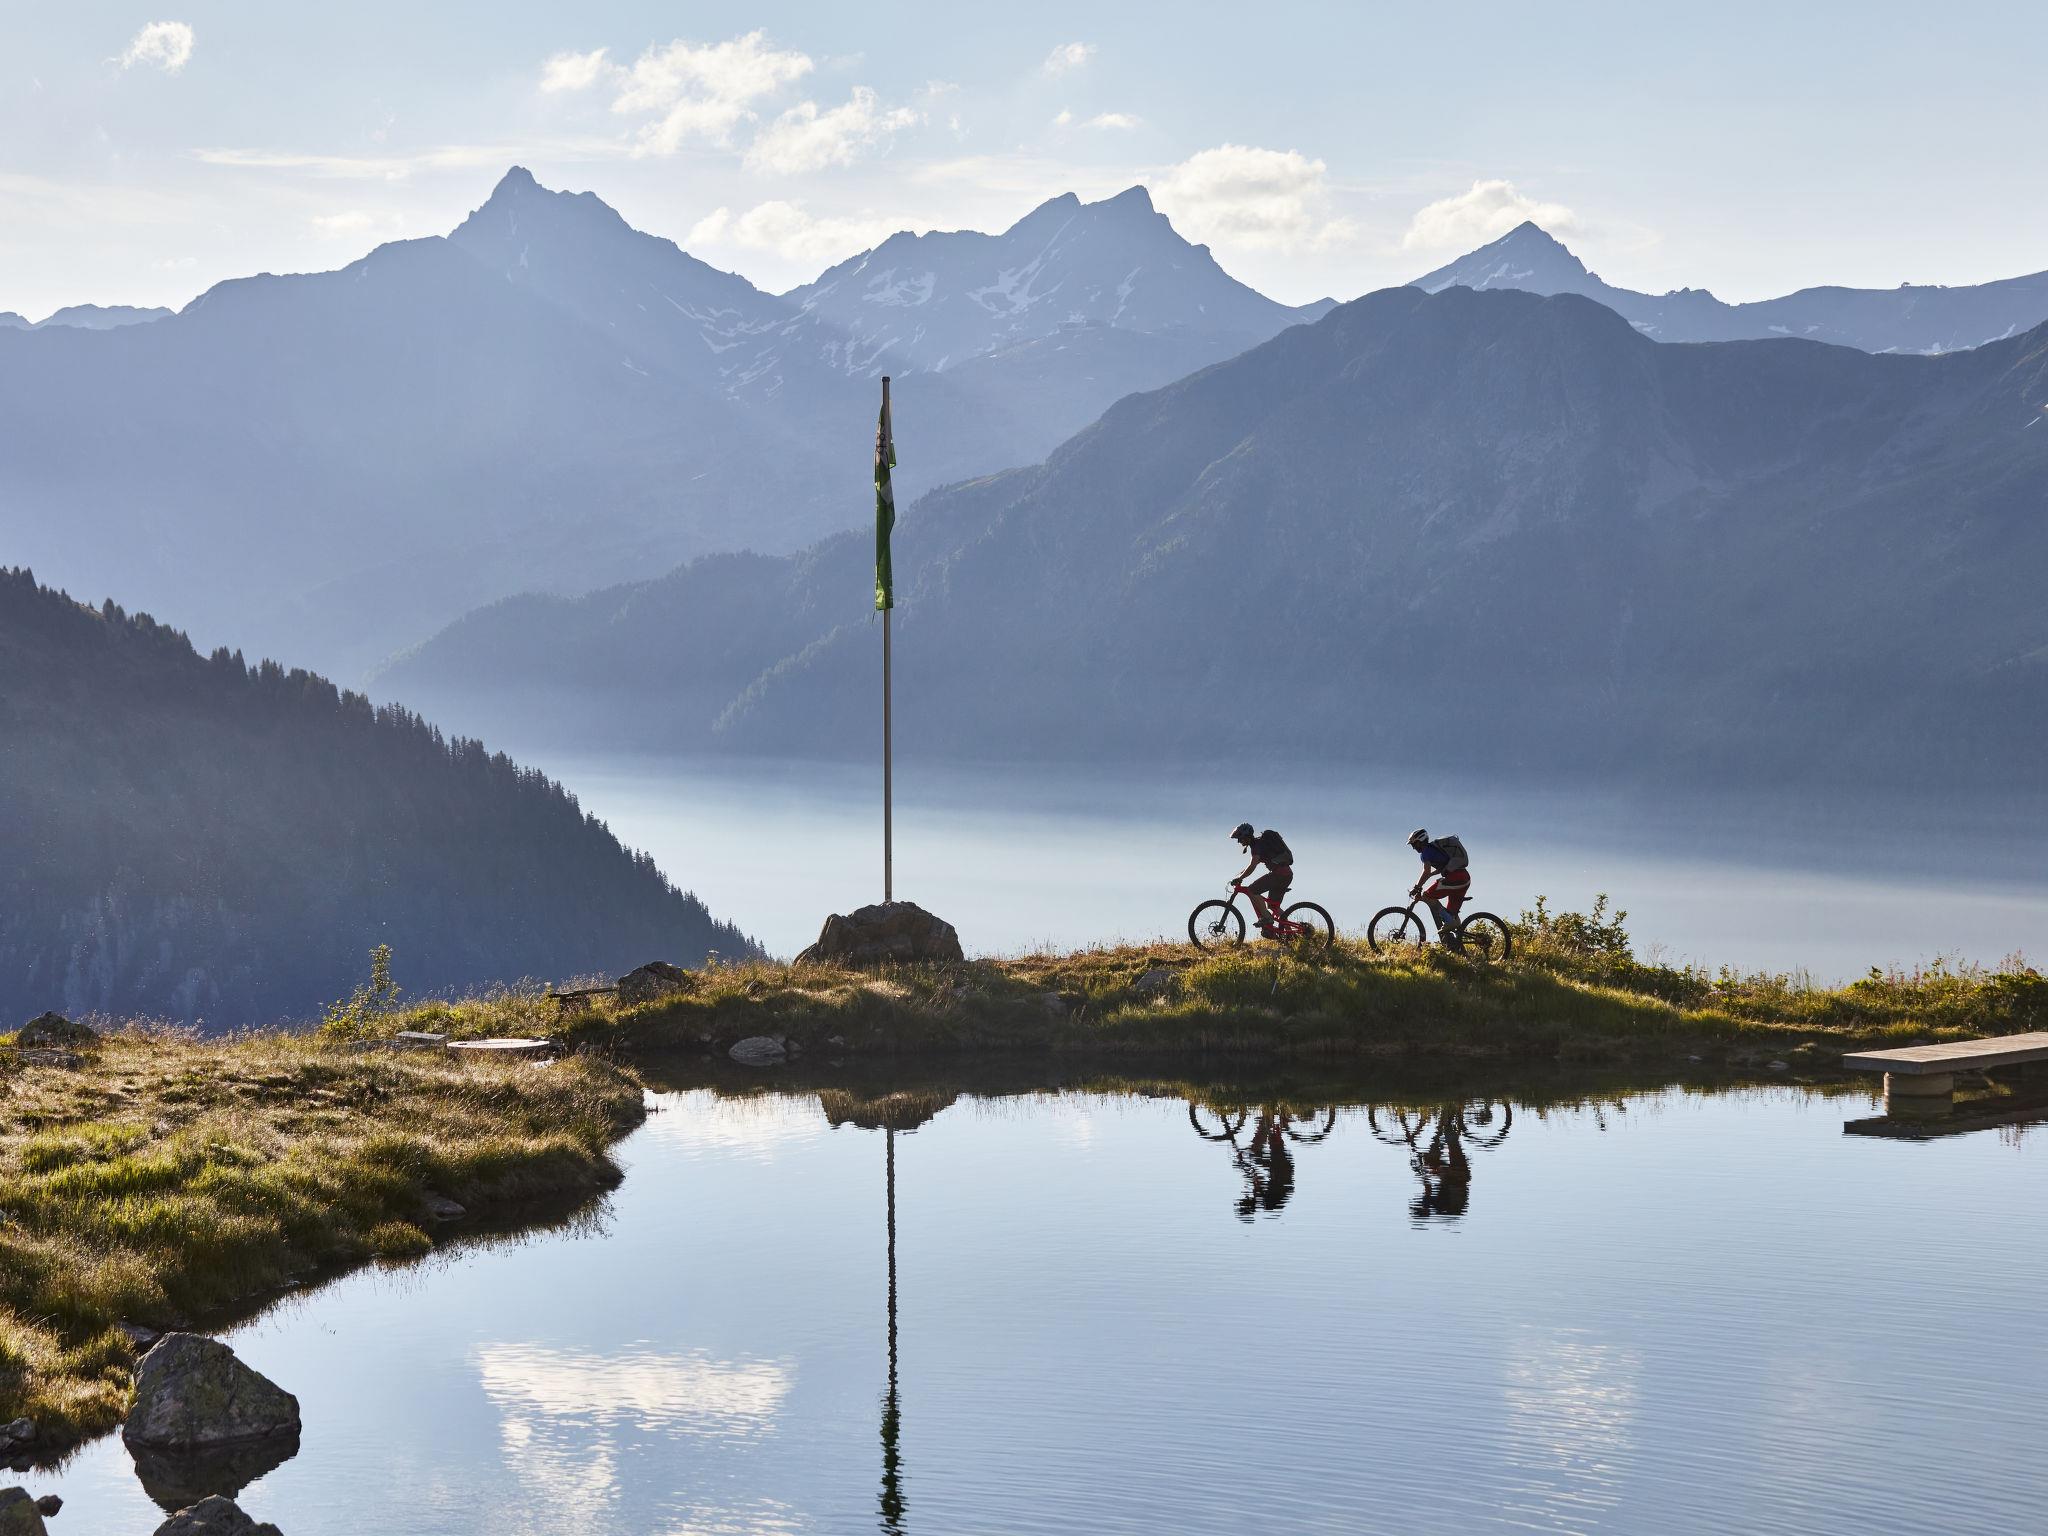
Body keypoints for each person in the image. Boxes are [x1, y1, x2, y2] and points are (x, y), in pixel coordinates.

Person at [1407, 828, 1471, 943]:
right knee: (1450, 914)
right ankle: (1455, 944)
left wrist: (1417, 887)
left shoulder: (1425, 852)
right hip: (1464, 879)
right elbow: (1443, 867)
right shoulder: (1434, 849)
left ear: (1420, 841)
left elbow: (1426, 872)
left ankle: (1451, 921)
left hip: (1456, 879)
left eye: (1414, 844)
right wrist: (1430, 876)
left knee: (1427, 896)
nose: (1414, 848)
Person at [1230, 822, 1294, 936]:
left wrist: (1240, 878)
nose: (1239, 841)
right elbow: (1251, 865)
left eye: (1240, 838)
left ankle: (1266, 918)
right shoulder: (1260, 844)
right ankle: (1290, 934)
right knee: (1273, 906)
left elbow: (1253, 865)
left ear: (1246, 836)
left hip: (1279, 874)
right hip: (1286, 874)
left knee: (1251, 890)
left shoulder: (1256, 846)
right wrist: (1240, 875)